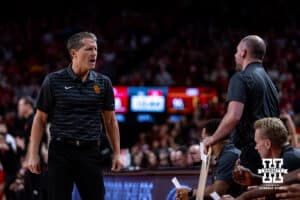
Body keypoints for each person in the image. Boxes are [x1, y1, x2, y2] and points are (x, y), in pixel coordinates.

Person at [26, 31, 122, 200]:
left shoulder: (103, 82)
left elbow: (111, 121)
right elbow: (40, 120)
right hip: (61, 151)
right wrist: (33, 154)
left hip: (90, 151)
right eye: (89, 49)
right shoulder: (53, 81)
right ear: (74, 53)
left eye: (96, 49)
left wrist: (116, 153)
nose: (94, 54)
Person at [203, 35, 280, 174]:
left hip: (254, 152)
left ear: (243, 52)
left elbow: (234, 116)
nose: (235, 55)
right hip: (274, 154)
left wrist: (212, 139)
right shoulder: (270, 84)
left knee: (251, 194)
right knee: (270, 192)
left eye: (236, 51)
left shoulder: (240, 78)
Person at [176, 119, 241, 200]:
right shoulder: (224, 155)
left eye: (203, 138)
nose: (202, 143)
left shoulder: (229, 156)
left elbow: (216, 192)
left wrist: (191, 192)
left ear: (212, 138)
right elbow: (214, 190)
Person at [233, 117, 300, 187]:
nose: (256, 147)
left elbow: (274, 189)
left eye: (257, 143)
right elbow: (276, 183)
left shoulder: (287, 161)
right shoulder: (288, 157)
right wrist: (254, 179)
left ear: (267, 144)